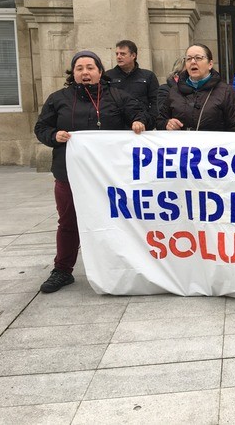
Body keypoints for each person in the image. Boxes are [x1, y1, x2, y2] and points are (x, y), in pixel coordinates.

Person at [34, 50, 148, 293]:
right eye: (79, 68)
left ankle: (122, 265)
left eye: (90, 68)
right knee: (68, 221)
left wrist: (139, 122)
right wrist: (54, 136)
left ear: (99, 72)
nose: (85, 72)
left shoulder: (117, 96)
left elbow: (141, 113)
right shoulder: (58, 99)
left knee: (116, 220)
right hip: (68, 173)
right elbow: (42, 127)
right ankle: (62, 270)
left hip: (108, 176)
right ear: (73, 73)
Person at [159, 44, 235, 132]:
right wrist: (167, 123)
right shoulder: (174, 91)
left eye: (198, 58)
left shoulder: (226, 91)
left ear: (210, 64)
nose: (193, 62)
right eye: (188, 59)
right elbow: (160, 120)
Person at [106, 40, 160, 129]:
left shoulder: (148, 76)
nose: (118, 57)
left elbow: (156, 102)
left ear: (133, 55)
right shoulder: (108, 76)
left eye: (123, 54)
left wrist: (149, 122)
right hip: (116, 128)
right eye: (117, 54)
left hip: (142, 127)